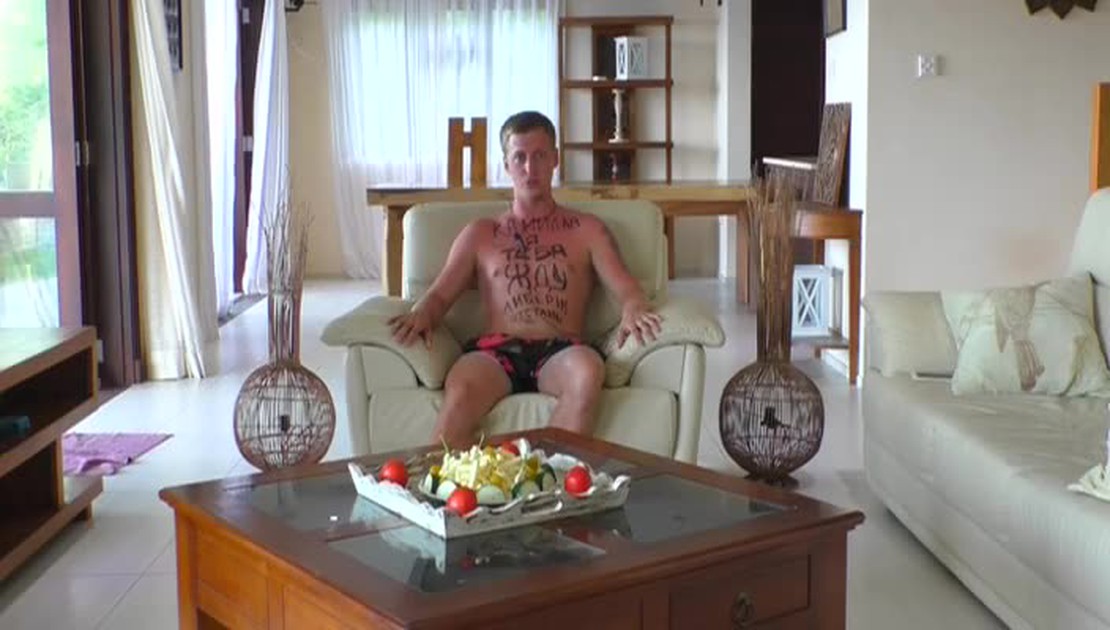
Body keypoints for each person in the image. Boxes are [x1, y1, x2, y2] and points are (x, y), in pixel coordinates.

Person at [388, 111, 661, 449]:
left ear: (555, 159)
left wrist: (635, 307)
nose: (530, 168)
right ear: (506, 164)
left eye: (540, 156)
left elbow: (627, 289)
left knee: (587, 372)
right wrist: (422, 314)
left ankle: (547, 476)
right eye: (519, 157)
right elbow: (440, 296)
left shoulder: (587, 230)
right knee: (462, 387)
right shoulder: (481, 233)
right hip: (495, 352)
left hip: (562, 350)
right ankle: (446, 479)